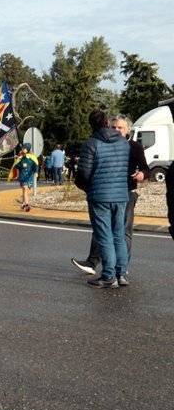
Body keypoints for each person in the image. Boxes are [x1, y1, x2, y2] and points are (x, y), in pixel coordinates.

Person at [72, 115, 148, 277]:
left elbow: (145, 168)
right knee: (103, 231)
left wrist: (142, 174)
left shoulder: (133, 147)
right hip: (109, 192)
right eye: (114, 127)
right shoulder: (104, 143)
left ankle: (119, 269)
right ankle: (95, 262)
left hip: (126, 192)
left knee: (121, 232)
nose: (116, 130)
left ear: (128, 130)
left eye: (120, 127)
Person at [73, 109, 131, 288]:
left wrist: (86, 187)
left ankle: (108, 276)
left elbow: (84, 173)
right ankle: (121, 274)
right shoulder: (124, 143)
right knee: (119, 235)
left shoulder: (91, 143)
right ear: (107, 122)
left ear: (91, 125)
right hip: (121, 194)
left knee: (104, 236)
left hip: (100, 195)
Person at [11, 145, 39, 212]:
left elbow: (35, 165)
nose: (23, 149)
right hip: (23, 177)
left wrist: (36, 172)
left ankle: (23, 203)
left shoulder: (32, 158)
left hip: (29, 177)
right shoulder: (21, 158)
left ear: (27, 149)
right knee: (25, 189)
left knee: (25, 191)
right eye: (22, 148)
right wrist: (17, 159)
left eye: (24, 148)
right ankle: (27, 204)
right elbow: (16, 166)